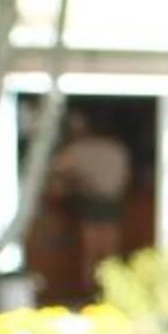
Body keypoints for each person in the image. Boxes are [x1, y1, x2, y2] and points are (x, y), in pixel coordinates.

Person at [50, 112, 135, 288]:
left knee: (90, 251)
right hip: (111, 202)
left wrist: (78, 180)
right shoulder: (117, 148)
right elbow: (126, 179)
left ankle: (91, 290)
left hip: (94, 203)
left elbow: (56, 172)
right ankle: (107, 290)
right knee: (109, 251)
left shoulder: (77, 148)